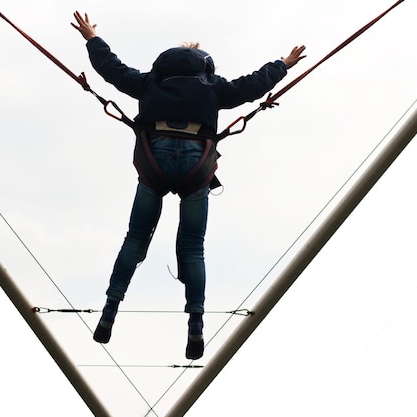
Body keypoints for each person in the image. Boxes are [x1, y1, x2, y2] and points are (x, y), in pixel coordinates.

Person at [71, 11, 305, 360]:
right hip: (196, 165)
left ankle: (110, 310)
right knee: (194, 247)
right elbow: (252, 85)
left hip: (155, 161)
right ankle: (196, 323)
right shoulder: (214, 88)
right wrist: (283, 64)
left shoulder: (150, 83)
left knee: (136, 238)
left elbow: (113, 70)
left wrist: (92, 38)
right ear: (204, 66)